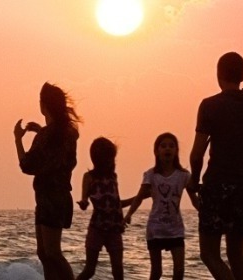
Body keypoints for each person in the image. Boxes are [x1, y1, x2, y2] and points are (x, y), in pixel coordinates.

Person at [190, 52, 243, 280]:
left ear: (218, 75)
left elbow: (197, 154)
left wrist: (194, 181)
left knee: (209, 254)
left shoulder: (209, 106)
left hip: (217, 183)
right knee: (235, 253)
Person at [14, 82, 81, 280]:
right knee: (44, 253)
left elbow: (27, 165)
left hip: (51, 198)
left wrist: (18, 139)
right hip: (55, 198)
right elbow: (56, 151)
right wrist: (41, 130)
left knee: (52, 253)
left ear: (44, 105)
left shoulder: (48, 135)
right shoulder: (66, 132)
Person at [122, 133, 197, 280]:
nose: (167, 149)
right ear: (156, 151)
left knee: (179, 270)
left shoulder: (184, 175)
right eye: (163, 146)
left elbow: (195, 200)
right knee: (157, 272)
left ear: (176, 151)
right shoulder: (151, 175)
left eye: (171, 146)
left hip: (175, 228)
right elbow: (139, 197)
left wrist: (207, 213)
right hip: (155, 228)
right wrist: (128, 215)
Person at [75, 137, 126, 280]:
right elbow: (85, 201)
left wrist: (140, 197)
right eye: (109, 158)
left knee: (118, 271)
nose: (111, 162)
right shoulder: (89, 177)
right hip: (97, 227)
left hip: (114, 228)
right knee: (89, 270)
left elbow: (117, 203)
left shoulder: (113, 177)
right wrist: (84, 202)